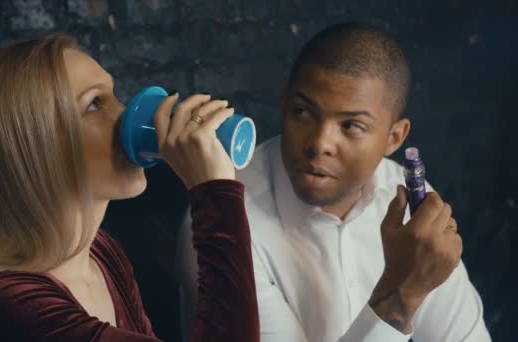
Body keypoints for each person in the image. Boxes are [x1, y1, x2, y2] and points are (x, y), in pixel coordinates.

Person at [0, 33, 259, 342]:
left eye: (115, 97)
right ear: (35, 151)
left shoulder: (102, 254)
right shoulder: (3, 305)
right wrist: (215, 192)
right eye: (95, 104)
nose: (125, 116)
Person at [178, 22, 491, 341]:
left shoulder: (406, 195)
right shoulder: (223, 221)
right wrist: (401, 294)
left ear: (394, 138)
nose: (319, 143)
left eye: (351, 125)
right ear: (284, 104)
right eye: (303, 112)